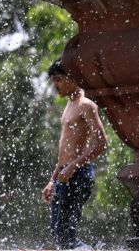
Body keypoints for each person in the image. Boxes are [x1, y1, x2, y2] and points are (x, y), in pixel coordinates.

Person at [41, 59, 108, 250]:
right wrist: (52, 180)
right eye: (54, 80)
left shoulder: (86, 105)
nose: (56, 85)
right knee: (57, 231)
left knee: (65, 235)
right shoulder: (69, 105)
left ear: (72, 77)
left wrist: (74, 165)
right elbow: (65, 151)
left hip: (78, 174)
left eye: (59, 79)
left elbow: (102, 143)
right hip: (64, 174)